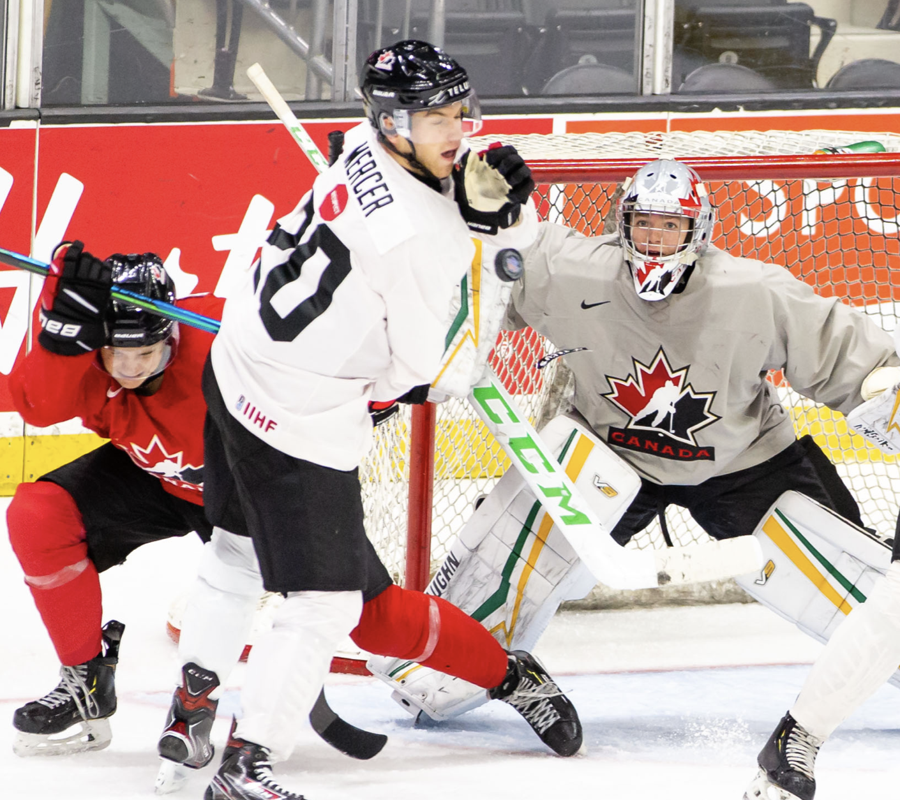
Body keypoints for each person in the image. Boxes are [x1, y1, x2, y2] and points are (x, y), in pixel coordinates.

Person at [169, 39, 578, 800]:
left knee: (234, 554)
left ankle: (192, 706)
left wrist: (473, 208)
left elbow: (399, 201)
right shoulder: (419, 241)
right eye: (435, 117)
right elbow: (441, 371)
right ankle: (243, 767)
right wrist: (491, 236)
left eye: (460, 111)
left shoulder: (358, 146)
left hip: (234, 371)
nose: (457, 131)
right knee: (324, 606)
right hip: (296, 420)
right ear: (392, 123)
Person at [7, 241, 219, 756]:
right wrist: (57, 336)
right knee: (37, 515)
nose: (127, 369)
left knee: (365, 615)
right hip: (154, 479)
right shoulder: (89, 359)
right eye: (114, 354)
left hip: (251, 489)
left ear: (171, 338)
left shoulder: (220, 337)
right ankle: (86, 684)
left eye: (144, 354)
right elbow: (34, 404)